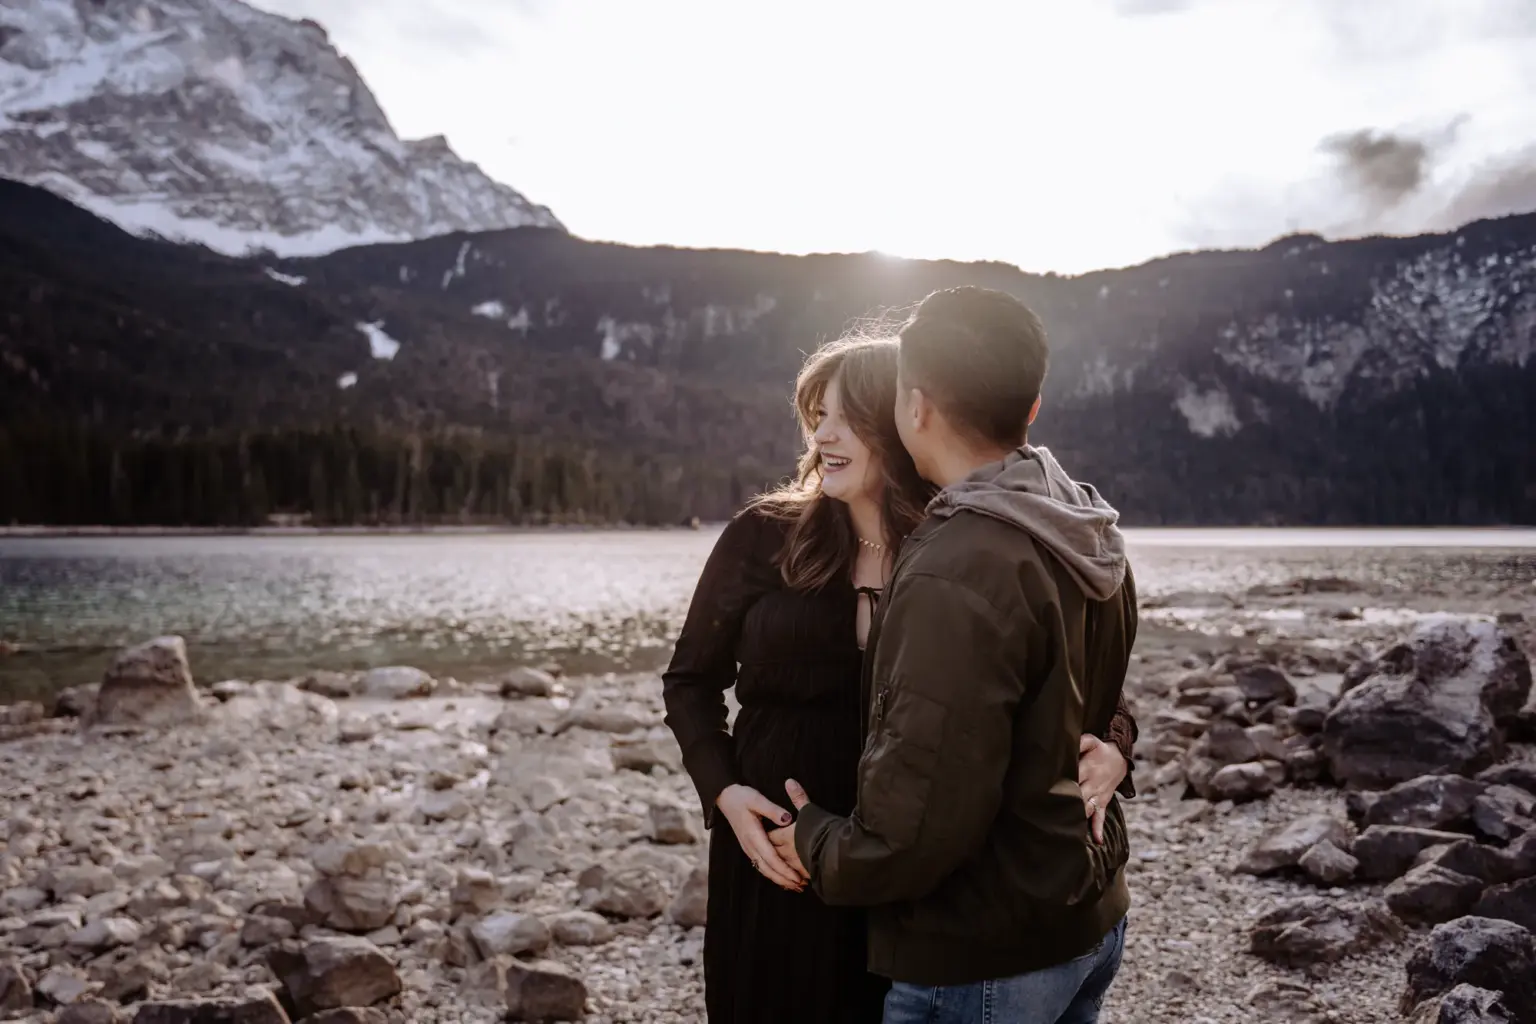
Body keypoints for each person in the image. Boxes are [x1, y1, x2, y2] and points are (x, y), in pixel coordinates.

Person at [662, 333, 1139, 1024]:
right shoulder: (763, 535)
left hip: (906, 873)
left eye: (846, 417)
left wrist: (1116, 741)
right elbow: (689, 681)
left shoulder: (959, 545)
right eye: (814, 415)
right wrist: (726, 795)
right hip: (776, 857)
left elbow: (1067, 665)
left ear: (908, 417)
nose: (823, 435)